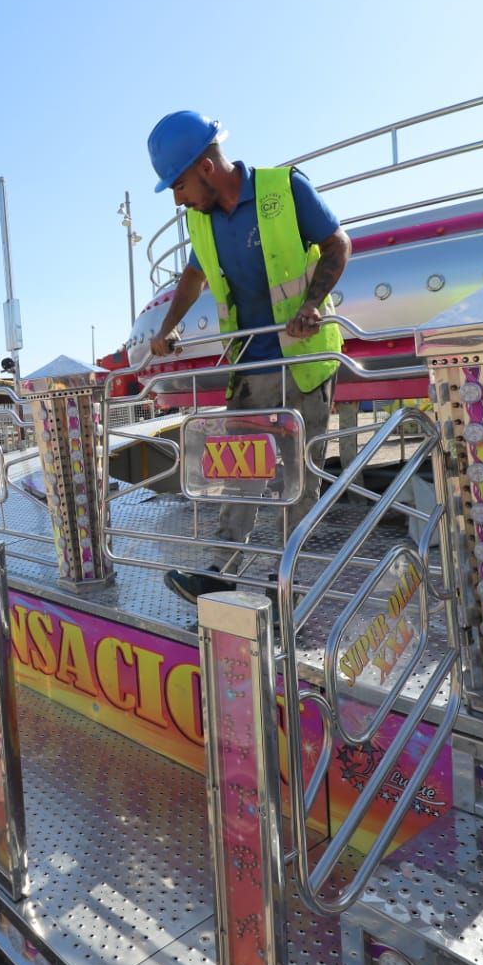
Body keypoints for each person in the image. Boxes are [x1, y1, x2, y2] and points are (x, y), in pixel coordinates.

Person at [145, 111, 352, 603]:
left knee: (297, 480)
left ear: (206, 168)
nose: (177, 198)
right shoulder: (201, 222)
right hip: (248, 364)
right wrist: (166, 330)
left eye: (178, 185)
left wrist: (310, 306)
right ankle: (221, 570)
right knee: (237, 471)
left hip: (303, 362)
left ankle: (291, 582)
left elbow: (337, 244)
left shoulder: (285, 190)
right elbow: (193, 278)